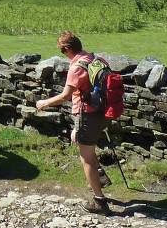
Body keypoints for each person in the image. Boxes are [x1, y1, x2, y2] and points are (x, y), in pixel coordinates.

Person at [35, 31, 111, 215]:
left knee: (85, 156)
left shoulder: (77, 66)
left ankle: (99, 202)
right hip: (102, 112)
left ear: (68, 49)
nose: (64, 54)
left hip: (87, 115)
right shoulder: (94, 58)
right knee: (87, 148)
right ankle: (99, 179)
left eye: (63, 51)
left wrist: (44, 102)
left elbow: (66, 96)